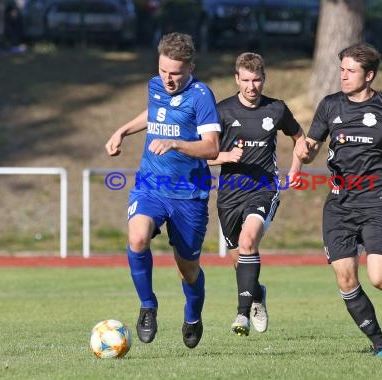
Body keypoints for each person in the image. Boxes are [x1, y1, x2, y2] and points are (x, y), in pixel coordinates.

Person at [294, 42, 382, 357]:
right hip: (338, 204)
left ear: (370, 76)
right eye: (342, 70)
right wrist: (305, 152)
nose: (344, 76)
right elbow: (310, 148)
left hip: (377, 200)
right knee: (345, 276)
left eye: (351, 71)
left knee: (381, 280)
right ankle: (380, 344)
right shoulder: (329, 106)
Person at [104, 32, 221, 349]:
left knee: (188, 269)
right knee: (137, 237)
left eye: (176, 74)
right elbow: (154, 113)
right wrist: (123, 131)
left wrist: (176, 143)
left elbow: (212, 148)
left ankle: (193, 315)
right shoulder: (155, 86)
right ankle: (148, 305)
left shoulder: (201, 96)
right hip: (152, 184)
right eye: (163, 71)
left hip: (189, 196)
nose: (168, 80)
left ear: (190, 68)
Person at [208, 52, 305, 336]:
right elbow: (200, 153)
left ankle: (242, 316)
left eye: (257, 80)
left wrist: (295, 168)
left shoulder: (276, 109)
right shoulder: (222, 111)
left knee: (249, 240)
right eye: (246, 80)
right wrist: (225, 156)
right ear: (236, 79)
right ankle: (257, 294)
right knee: (241, 260)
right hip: (229, 195)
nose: (252, 86)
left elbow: (299, 138)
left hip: (263, 189)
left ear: (264, 79)